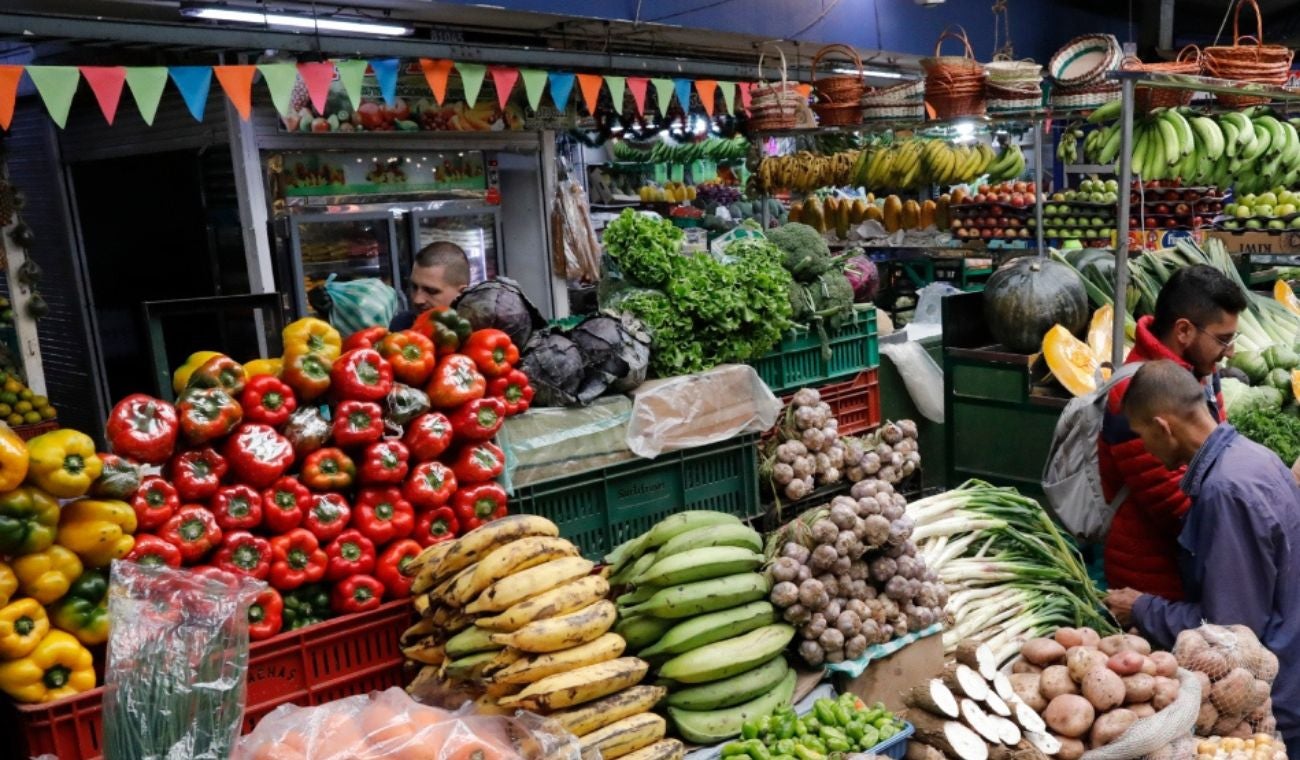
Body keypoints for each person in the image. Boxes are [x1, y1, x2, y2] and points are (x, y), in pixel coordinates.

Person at [1104, 360, 1299, 753]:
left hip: (1278, 698)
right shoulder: (1254, 457)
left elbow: (1232, 635)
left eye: (1143, 436)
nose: (1144, 447)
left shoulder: (1223, 493)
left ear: (1163, 426)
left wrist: (1142, 608)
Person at [1098, 264, 1246, 601]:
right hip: (1152, 582)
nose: (1231, 351)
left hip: (1189, 568)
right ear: (1183, 331)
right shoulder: (1135, 395)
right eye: (1223, 339)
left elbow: (1219, 450)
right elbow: (1176, 507)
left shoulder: (1202, 371)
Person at [390, 241, 471, 331]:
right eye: (414, 287)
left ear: (462, 293)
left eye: (431, 291)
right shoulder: (401, 325)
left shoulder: (479, 332)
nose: (417, 300)